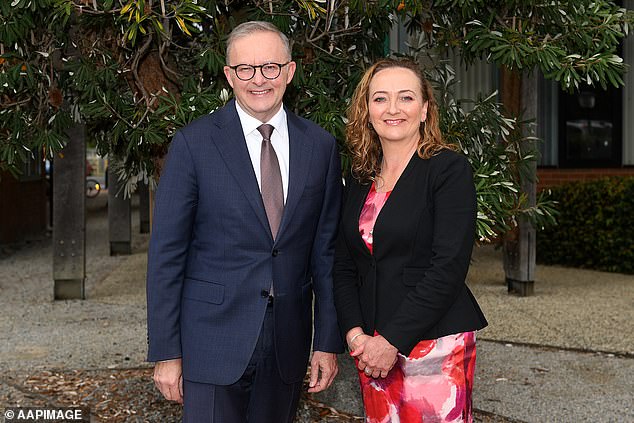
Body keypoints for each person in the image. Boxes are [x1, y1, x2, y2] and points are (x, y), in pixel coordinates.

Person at [146, 21, 343, 423]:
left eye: (270, 67)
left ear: (289, 72)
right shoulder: (193, 144)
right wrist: (167, 352)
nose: (259, 80)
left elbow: (326, 253)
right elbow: (166, 255)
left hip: (288, 341)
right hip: (210, 341)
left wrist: (326, 342)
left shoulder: (320, 147)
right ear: (228, 76)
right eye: (245, 69)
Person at [333, 58, 488, 422]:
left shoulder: (448, 169)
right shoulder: (359, 177)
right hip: (370, 350)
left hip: (434, 346)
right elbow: (343, 263)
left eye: (405, 98)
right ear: (366, 110)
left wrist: (390, 341)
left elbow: (447, 268)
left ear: (424, 110)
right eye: (380, 98)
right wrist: (355, 335)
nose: (392, 109)